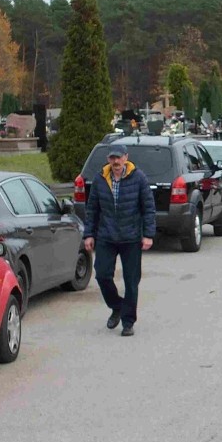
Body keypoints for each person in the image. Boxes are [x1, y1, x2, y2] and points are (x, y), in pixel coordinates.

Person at [83, 143, 156, 337]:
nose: (115, 162)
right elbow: (92, 209)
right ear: (108, 160)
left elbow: (148, 207)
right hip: (106, 236)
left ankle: (128, 322)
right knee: (102, 275)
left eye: (119, 158)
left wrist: (148, 234)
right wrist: (89, 234)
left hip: (131, 237)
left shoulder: (138, 178)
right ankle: (117, 306)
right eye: (112, 158)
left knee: (132, 281)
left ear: (126, 158)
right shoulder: (100, 179)